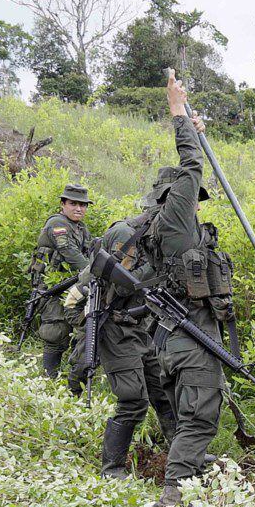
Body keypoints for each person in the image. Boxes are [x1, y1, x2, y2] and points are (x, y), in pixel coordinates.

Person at [136, 70, 232, 507]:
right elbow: (192, 166)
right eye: (193, 196)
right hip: (189, 339)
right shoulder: (175, 220)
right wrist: (179, 115)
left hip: (175, 337)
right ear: (176, 196)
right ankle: (171, 500)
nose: (198, 201)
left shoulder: (170, 227)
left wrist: (194, 127)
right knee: (199, 418)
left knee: (186, 413)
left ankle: (189, 475)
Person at [79, 178, 180, 478]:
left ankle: (181, 455)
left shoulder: (154, 238)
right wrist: (157, 267)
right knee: (133, 400)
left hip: (139, 328)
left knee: (162, 392)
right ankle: (111, 469)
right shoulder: (128, 234)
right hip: (115, 328)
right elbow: (123, 288)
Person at [29, 184, 95, 378]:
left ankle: (70, 374)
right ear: (63, 204)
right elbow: (70, 253)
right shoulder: (57, 224)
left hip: (71, 285)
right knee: (55, 330)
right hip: (52, 287)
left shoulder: (80, 228)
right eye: (73, 203)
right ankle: (49, 376)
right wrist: (92, 272)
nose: (79, 209)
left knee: (78, 327)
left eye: (83, 205)